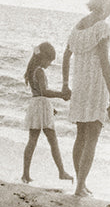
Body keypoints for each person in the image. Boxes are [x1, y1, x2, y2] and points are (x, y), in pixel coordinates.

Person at [61, 0, 110, 198]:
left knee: (81, 136)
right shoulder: (102, 27)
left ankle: (80, 183)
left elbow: (66, 56)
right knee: (92, 136)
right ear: (104, 3)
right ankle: (80, 185)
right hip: (95, 85)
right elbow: (104, 61)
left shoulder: (78, 26)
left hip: (80, 85)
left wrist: (66, 84)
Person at [21, 42, 72, 184]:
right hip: (41, 105)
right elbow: (44, 92)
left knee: (32, 141)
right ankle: (61, 172)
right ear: (43, 58)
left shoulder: (32, 70)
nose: (49, 64)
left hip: (36, 105)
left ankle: (25, 174)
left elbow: (38, 93)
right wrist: (62, 95)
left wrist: (50, 108)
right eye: (49, 61)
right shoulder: (40, 71)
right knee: (53, 141)